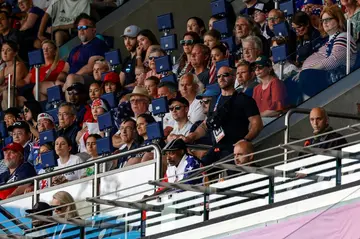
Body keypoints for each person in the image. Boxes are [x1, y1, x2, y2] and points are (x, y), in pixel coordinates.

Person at [185, 66, 263, 166]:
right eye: (218, 76)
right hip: (216, 147)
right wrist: (192, 136)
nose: (221, 78)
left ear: (234, 77)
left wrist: (245, 140)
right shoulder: (214, 100)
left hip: (234, 149)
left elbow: (257, 124)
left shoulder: (245, 100)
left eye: (225, 75)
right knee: (200, 171)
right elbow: (206, 125)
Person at [60, 13, 109, 96]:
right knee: (41, 87)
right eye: (79, 28)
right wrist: (59, 80)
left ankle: (67, 107)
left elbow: (90, 68)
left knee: (71, 78)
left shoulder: (97, 44)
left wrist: (70, 79)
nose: (81, 30)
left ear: (93, 30)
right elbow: (65, 70)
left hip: (88, 79)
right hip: (70, 80)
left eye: (84, 27)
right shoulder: (74, 50)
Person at [302, 5, 357, 72]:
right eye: (322, 20)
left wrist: (308, 70)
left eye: (328, 19)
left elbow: (334, 60)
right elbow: (318, 56)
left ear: (338, 19)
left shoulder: (344, 37)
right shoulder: (331, 40)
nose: (324, 23)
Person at [252, 56, 287, 123]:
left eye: (260, 67)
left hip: (275, 120)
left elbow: (276, 110)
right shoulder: (256, 88)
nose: (257, 69)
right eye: (255, 67)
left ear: (270, 68)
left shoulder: (276, 83)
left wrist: (258, 116)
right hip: (261, 120)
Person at [0, 41, 28, 109]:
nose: (4, 53)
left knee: (6, 93)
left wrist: (2, 88)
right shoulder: (3, 68)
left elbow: (13, 85)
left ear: (15, 53)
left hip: (17, 93)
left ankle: (12, 115)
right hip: (4, 94)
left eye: (8, 50)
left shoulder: (19, 65)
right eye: (3, 50)